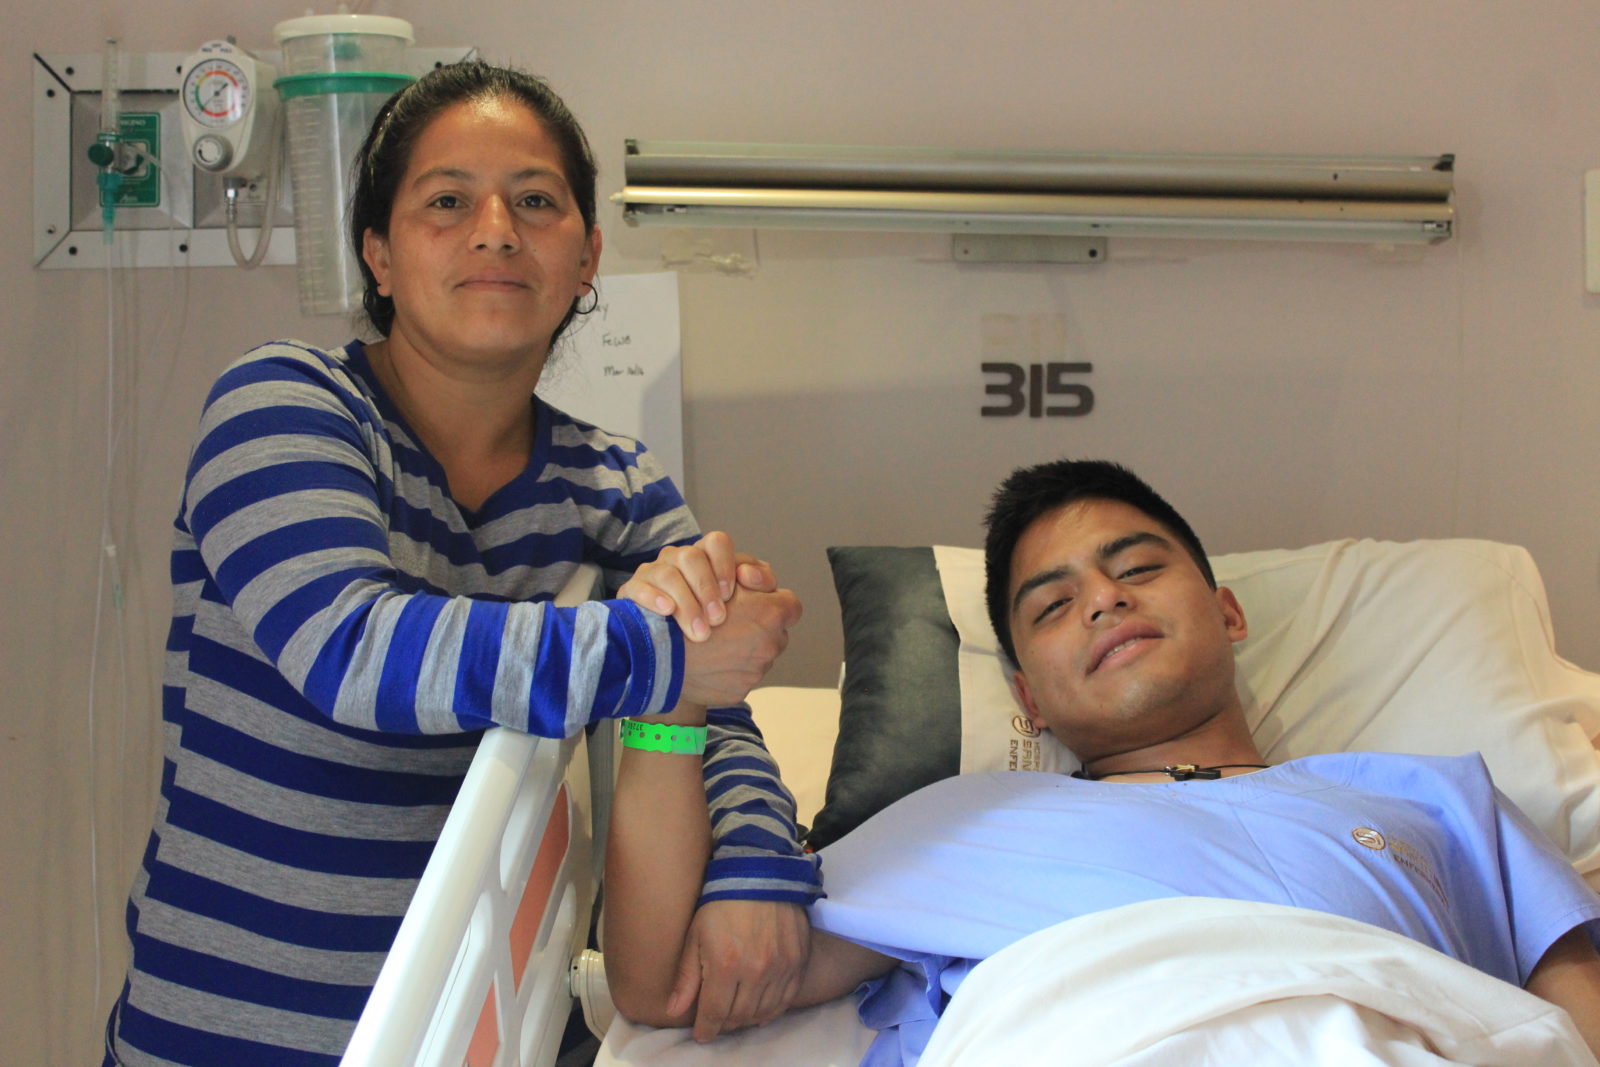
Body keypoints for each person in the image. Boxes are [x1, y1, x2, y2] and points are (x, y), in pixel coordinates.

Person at [103, 62, 815, 1066]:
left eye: (536, 201)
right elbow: (353, 648)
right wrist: (655, 651)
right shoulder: (283, 403)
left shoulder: (614, 484)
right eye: (446, 201)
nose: (495, 230)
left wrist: (753, 863)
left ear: (586, 259)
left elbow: (710, 709)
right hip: (232, 1035)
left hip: (497, 1033)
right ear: (378, 256)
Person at [604, 458, 1600, 1062]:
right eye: (1052, 604)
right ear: (1029, 699)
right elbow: (667, 984)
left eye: (1138, 568)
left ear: (1228, 611)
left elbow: (1575, 1015)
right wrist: (668, 695)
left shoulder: (1440, 800)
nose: (1103, 599)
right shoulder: (955, 822)